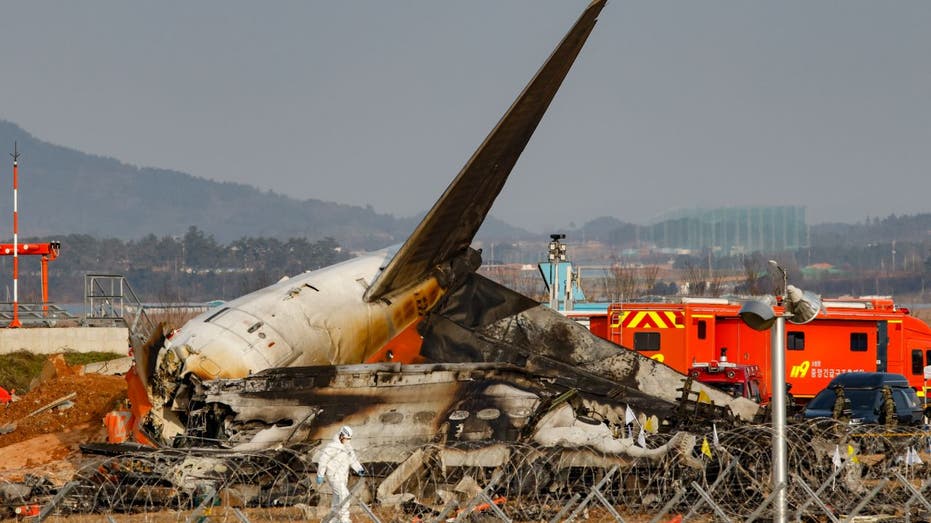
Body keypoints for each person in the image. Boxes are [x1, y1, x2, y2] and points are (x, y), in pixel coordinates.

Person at [316, 426, 365, 523]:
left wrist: (359, 469)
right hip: (333, 476)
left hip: (343, 477)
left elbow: (352, 460)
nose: (348, 440)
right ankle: (344, 518)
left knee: (337, 498)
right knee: (345, 495)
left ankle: (333, 519)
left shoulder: (348, 447)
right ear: (341, 436)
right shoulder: (332, 446)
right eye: (346, 438)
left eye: (349, 439)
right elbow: (323, 460)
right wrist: (320, 474)